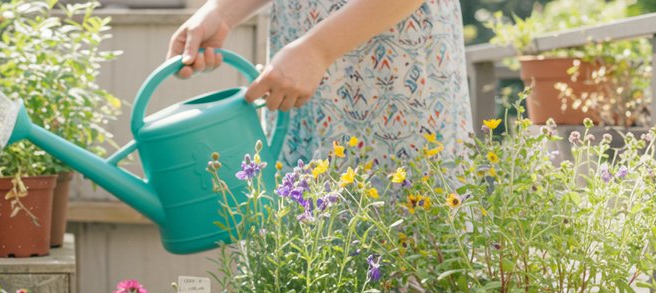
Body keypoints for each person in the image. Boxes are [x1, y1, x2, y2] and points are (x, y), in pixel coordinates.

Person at [167, 0, 473, 168]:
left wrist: (318, 49)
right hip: (300, 75)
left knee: (406, 258)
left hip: (392, 76)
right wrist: (222, 12)